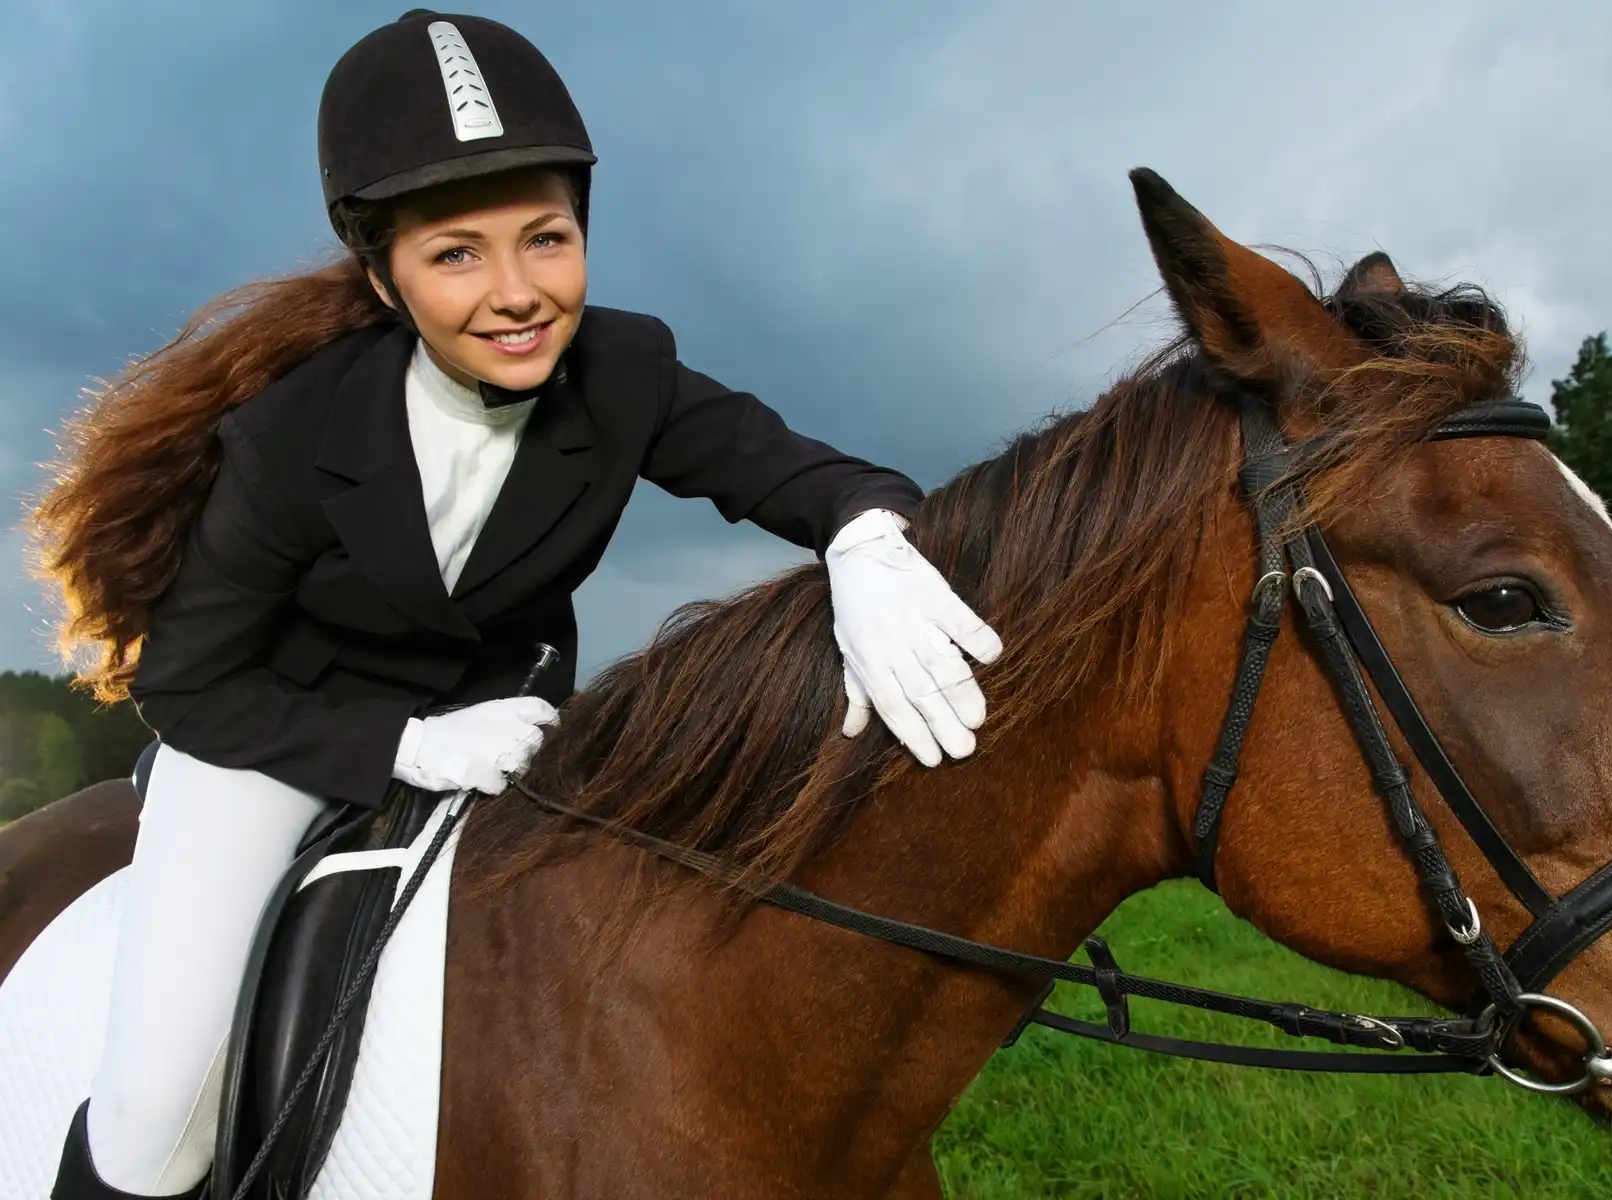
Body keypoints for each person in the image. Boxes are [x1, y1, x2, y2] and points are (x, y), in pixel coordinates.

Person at [29, 11, 1001, 1198]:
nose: (517, 295)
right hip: (273, 738)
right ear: (384, 277)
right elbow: (188, 684)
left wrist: (865, 540)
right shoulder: (289, 438)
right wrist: (405, 744)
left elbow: (803, 470)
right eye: (456, 255)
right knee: (151, 1110)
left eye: (546, 239)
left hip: (519, 737)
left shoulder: (628, 369)